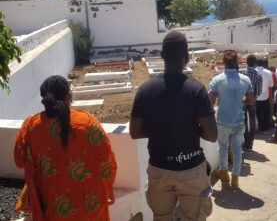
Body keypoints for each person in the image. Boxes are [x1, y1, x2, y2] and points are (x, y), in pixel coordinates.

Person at [130, 31, 217, 221]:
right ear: (186, 57)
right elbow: (211, 136)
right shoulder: (196, 90)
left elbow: (134, 132)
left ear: (162, 56)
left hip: (159, 170)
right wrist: (191, 128)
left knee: (161, 216)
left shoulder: (145, 90)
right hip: (192, 170)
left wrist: (158, 129)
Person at [14, 75, 117, 221]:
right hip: (88, 205)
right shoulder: (87, 122)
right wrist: (105, 188)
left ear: (44, 98)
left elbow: (19, 160)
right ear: (69, 96)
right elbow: (106, 161)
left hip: (51, 205)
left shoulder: (31, 126)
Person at [209, 50, 254, 188]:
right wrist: (240, 101)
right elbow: (251, 100)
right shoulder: (245, 79)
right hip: (239, 120)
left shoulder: (217, 79)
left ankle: (224, 172)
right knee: (237, 149)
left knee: (222, 147)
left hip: (223, 120)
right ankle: (235, 178)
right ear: (237, 62)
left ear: (224, 62)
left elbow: (210, 102)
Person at [239, 55, 262, 151]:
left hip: (242, 100)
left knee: (243, 122)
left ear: (246, 62)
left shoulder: (241, 72)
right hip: (252, 101)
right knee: (252, 120)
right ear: (255, 63)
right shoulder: (258, 75)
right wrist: (253, 98)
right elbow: (259, 91)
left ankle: (244, 141)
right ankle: (250, 144)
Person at [255, 58, 274, 133]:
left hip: (256, 96)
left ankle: (260, 128)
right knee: (266, 113)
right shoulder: (268, 72)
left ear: (256, 64)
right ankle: (266, 128)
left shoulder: (254, 71)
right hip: (265, 96)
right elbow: (271, 85)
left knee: (258, 113)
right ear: (263, 64)